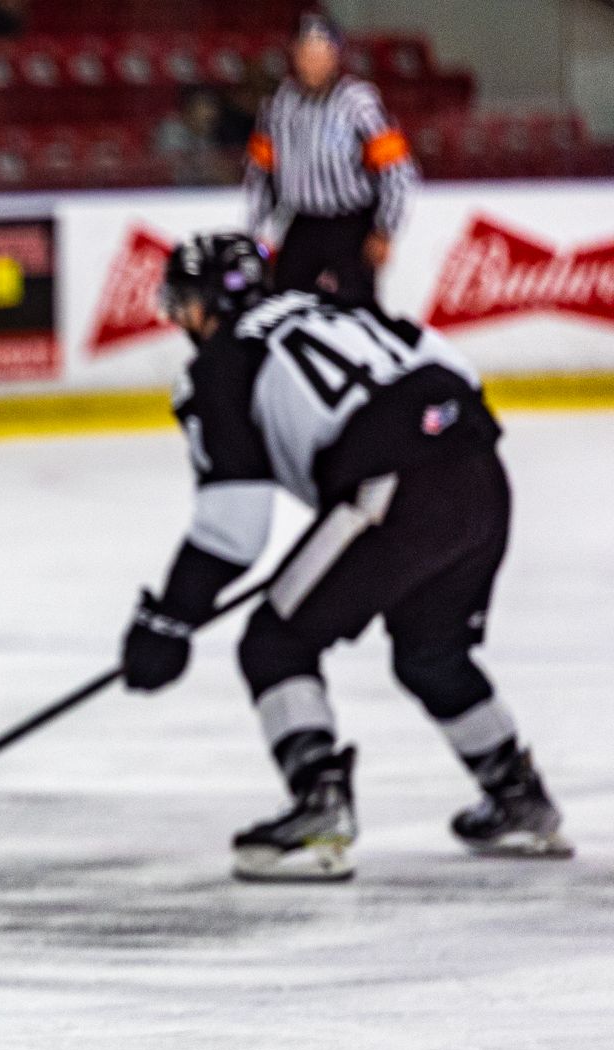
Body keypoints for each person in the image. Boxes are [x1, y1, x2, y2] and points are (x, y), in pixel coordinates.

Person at [120, 233, 569, 881]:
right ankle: (518, 797)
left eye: (186, 305)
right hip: (481, 476)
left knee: (275, 643)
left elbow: (233, 530)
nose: (183, 320)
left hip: (393, 491)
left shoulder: (219, 365)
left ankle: (319, 807)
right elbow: (458, 377)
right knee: (431, 652)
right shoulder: (340, 306)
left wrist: (170, 617)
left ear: (206, 305)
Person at [245, 12, 419, 307]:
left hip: (350, 225)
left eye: (320, 53)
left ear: (335, 56)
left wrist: (384, 230)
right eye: (305, 52)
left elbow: (398, 170)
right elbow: (261, 172)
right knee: (282, 304)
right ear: (295, 56)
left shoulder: (358, 103)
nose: (311, 62)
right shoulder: (280, 104)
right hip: (302, 222)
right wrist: (259, 230)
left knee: (357, 309)